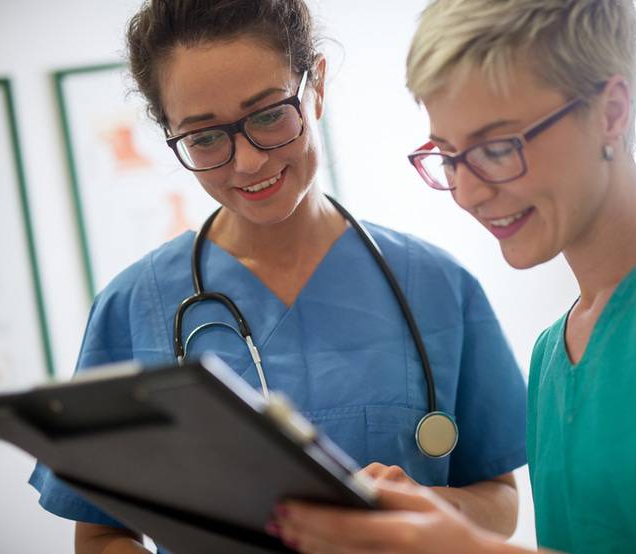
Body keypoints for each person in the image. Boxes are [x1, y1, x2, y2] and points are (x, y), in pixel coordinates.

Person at [272, 0, 636, 552]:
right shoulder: (552, 357)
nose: (470, 192)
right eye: (449, 157)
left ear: (611, 111)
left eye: (498, 148)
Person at [28, 1, 528, 551]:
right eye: (205, 138)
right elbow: (100, 534)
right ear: (172, 135)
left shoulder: (436, 284)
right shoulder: (133, 307)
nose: (246, 162)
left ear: (315, 85)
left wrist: (423, 512)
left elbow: (499, 501)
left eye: (268, 115)